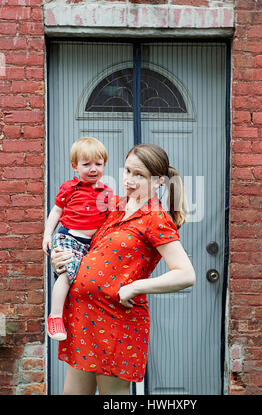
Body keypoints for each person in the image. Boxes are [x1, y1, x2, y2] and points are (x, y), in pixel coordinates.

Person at [51, 143, 196, 395]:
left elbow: (186, 274)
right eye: (127, 171)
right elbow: (82, 242)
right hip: (83, 317)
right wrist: (61, 259)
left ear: (159, 181)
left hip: (116, 322)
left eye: (139, 175)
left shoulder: (155, 218)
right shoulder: (112, 206)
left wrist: (134, 287)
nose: (129, 180)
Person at [43, 137, 113, 341]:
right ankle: (55, 317)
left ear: (104, 165)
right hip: (68, 237)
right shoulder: (69, 188)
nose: (93, 169)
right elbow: (56, 211)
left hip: (89, 246)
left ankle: (81, 324)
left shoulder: (106, 193)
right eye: (86, 164)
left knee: (82, 281)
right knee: (66, 273)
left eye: (98, 164)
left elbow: (108, 219)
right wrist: (47, 234)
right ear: (74, 166)